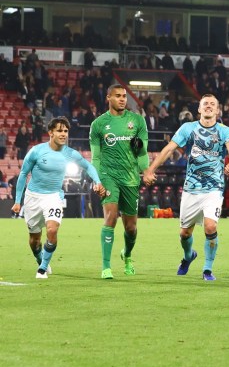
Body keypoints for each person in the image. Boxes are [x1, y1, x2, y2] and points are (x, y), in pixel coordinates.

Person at [143, 94, 229, 282]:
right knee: (185, 233)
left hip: (214, 188)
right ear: (199, 110)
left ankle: (208, 269)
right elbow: (169, 149)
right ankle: (188, 256)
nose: (209, 106)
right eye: (206, 104)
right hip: (191, 189)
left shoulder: (224, 131)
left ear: (218, 110)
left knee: (210, 227)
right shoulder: (188, 129)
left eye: (213, 104)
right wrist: (150, 169)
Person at [13, 117, 106, 278]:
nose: (63, 134)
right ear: (50, 132)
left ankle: (42, 268)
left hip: (54, 196)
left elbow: (88, 166)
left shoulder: (70, 153)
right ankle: (40, 258)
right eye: (59, 131)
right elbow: (23, 174)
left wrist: (97, 181)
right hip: (32, 197)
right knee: (35, 240)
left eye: (65, 131)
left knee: (52, 230)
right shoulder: (36, 151)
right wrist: (17, 201)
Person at [90, 84, 150, 279]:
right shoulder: (98, 124)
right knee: (110, 217)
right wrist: (97, 180)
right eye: (118, 96)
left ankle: (127, 254)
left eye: (124, 96)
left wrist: (146, 171)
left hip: (131, 178)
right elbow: (96, 157)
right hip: (109, 176)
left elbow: (142, 152)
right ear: (108, 98)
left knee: (131, 228)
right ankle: (106, 267)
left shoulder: (137, 121)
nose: (123, 99)